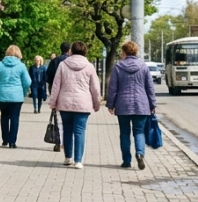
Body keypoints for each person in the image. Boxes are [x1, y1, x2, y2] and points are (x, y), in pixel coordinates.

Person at [47, 41, 101, 169]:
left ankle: (68, 158)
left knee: (67, 130)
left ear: (71, 51)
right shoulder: (89, 66)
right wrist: (97, 103)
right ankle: (78, 161)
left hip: (65, 103)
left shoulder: (62, 65)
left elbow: (56, 85)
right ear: (85, 51)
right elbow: (95, 87)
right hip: (83, 104)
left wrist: (53, 102)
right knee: (80, 132)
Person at [106, 41, 157, 170]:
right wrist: (152, 104)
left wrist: (110, 104)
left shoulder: (118, 67)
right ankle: (140, 154)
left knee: (124, 133)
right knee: (139, 132)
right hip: (141, 105)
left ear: (124, 52)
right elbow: (150, 88)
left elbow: (113, 88)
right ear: (135, 52)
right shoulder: (143, 66)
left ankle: (126, 161)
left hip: (123, 104)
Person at [0, 45, 32, 147]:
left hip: (2, 95)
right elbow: (28, 82)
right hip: (17, 96)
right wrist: (23, 92)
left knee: (4, 116)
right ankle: (12, 142)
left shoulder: (0, 65)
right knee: (15, 117)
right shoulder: (21, 66)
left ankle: (5, 139)